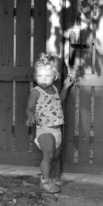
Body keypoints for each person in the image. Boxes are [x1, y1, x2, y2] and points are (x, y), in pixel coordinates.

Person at [26, 53, 75, 193]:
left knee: (55, 156)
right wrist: (30, 116)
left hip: (57, 130)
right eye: (40, 76)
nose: (43, 79)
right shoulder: (36, 92)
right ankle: (45, 181)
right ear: (35, 76)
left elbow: (59, 100)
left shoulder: (53, 90)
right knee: (48, 156)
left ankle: (50, 177)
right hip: (45, 130)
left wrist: (65, 87)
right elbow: (29, 108)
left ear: (55, 76)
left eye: (47, 76)